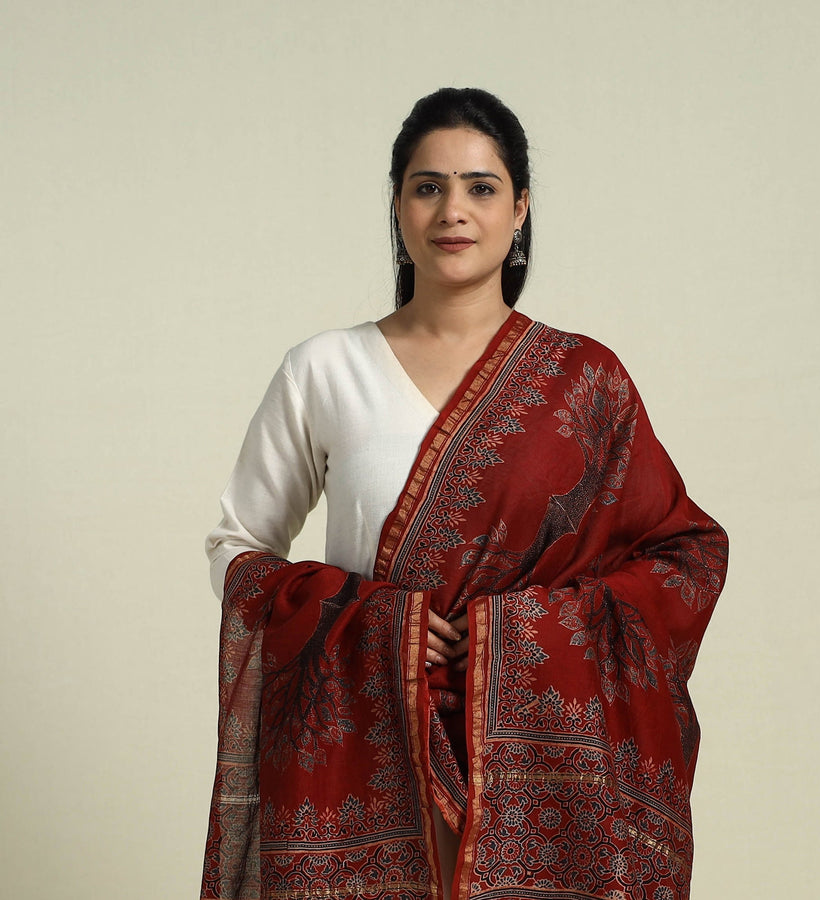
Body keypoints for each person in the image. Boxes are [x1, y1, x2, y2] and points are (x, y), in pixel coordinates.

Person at [200, 87, 728, 900]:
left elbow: (685, 554)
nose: (453, 210)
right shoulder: (323, 369)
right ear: (399, 207)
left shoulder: (584, 379)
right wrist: (373, 620)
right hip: (370, 743)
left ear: (520, 209)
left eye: (481, 187)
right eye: (428, 186)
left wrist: (518, 635)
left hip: (541, 764)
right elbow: (237, 549)